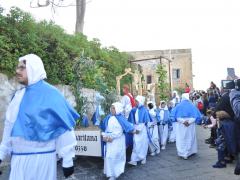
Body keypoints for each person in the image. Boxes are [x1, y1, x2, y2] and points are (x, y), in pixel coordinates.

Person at [0, 54, 80, 180]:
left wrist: (68, 162)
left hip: (42, 162)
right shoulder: (17, 96)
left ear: (33, 68)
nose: (17, 71)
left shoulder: (52, 94)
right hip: (18, 162)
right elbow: (9, 126)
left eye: (22, 68)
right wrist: (1, 154)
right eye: (18, 68)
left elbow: (64, 128)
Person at [101, 102, 134, 180]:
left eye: (113, 108)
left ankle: (116, 173)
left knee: (116, 157)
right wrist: (105, 136)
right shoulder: (108, 117)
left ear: (118, 109)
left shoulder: (121, 118)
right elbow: (106, 128)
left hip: (117, 141)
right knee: (108, 157)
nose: (111, 109)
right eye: (111, 108)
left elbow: (119, 132)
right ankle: (110, 173)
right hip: (109, 141)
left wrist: (111, 137)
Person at [171, 93, 202, 160]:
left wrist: (183, 122)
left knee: (181, 138)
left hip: (181, 125)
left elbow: (175, 116)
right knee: (190, 137)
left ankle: (182, 152)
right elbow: (196, 116)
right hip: (190, 125)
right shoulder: (192, 105)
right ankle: (190, 151)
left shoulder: (178, 106)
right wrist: (189, 122)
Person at [128, 96, 150, 166]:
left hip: (142, 129)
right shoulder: (134, 109)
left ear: (140, 101)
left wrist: (139, 129)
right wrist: (132, 128)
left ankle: (143, 157)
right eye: (135, 101)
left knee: (142, 143)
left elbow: (144, 122)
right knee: (135, 144)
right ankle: (134, 160)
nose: (135, 102)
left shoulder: (144, 110)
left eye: (137, 101)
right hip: (135, 127)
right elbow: (131, 120)